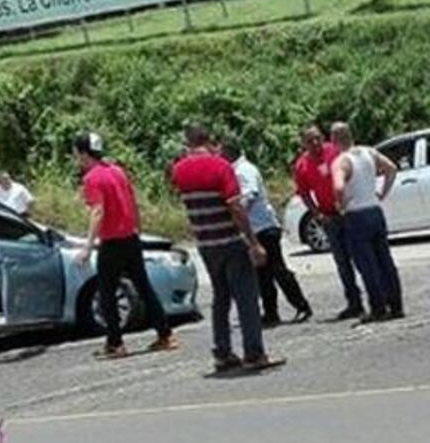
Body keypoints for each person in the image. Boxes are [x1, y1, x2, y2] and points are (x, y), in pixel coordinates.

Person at [172, 124, 282, 373]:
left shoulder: (179, 170)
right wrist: (253, 242)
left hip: (206, 243)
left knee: (220, 298)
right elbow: (236, 207)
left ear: (188, 143)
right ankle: (254, 352)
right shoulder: (221, 166)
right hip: (230, 240)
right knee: (246, 298)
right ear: (210, 141)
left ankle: (222, 352)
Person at [73, 132, 178, 360]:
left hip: (111, 241)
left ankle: (115, 343)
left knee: (107, 292)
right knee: (143, 286)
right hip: (130, 238)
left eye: (76, 153)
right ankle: (165, 334)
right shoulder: (117, 171)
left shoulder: (91, 178)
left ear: (82, 153)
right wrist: (137, 228)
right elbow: (133, 201)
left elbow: (97, 211)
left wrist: (89, 246)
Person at [221, 135, 312, 328]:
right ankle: (271, 313)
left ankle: (301, 304)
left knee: (277, 269)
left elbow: (250, 195)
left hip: (263, 227)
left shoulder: (244, 170)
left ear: (229, 153)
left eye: (221, 153)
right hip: (255, 229)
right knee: (263, 274)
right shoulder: (235, 170)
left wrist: (235, 213)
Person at [330, 122, 403, 324]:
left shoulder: (341, 161)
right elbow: (391, 169)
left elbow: (338, 185)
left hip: (356, 215)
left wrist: (342, 204)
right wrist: (382, 192)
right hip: (374, 210)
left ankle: (378, 307)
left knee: (367, 264)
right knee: (385, 260)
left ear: (334, 140)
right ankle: (396, 304)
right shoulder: (369, 152)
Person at [294, 126, 363, 321]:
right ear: (304, 144)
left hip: (348, 212)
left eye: (317, 138)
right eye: (310, 141)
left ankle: (376, 298)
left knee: (360, 257)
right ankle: (354, 302)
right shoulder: (303, 165)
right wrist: (317, 214)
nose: (315, 143)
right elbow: (304, 193)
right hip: (329, 217)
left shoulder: (335, 152)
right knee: (342, 263)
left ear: (323, 138)